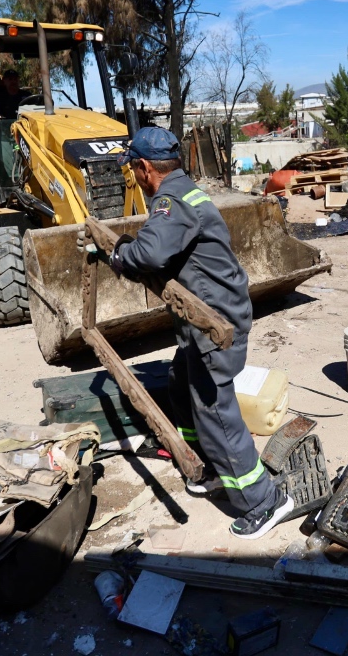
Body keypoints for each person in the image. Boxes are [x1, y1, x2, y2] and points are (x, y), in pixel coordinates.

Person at [100, 126, 292, 539]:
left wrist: (120, 254)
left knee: (215, 411)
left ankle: (263, 500)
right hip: (203, 315)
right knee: (181, 381)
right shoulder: (186, 191)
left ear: (144, 166)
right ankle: (203, 463)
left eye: (132, 169)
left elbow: (149, 253)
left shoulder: (170, 201)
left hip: (214, 321)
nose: (132, 176)